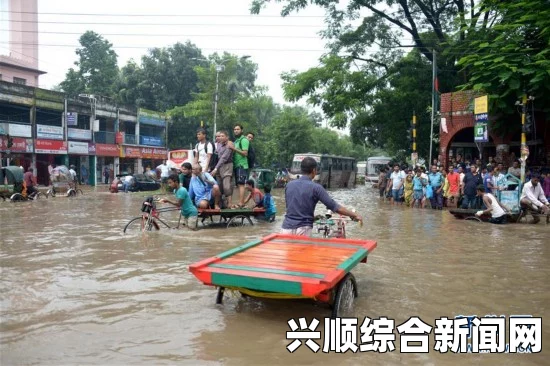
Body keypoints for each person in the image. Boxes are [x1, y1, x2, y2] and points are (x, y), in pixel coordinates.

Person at [281, 157, 362, 236]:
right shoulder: (316, 188)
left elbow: (293, 208)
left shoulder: (289, 185)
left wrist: (313, 218)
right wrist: (354, 215)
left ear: (302, 170)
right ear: (314, 170)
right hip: (303, 229)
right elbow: (335, 207)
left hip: (286, 228)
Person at [210, 130, 234, 208]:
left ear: (227, 137)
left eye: (222, 136)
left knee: (226, 185)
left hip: (227, 165)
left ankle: (230, 203)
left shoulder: (229, 144)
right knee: (219, 186)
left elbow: (224, 158)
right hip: (219, 166)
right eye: (219, 136)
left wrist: (216, 168)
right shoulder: (219, 145)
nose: (220, 137)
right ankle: (218, 203)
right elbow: (216, 154)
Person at [229, 124, 249, 208]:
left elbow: (245, 153)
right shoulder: (236, 141)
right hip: (237, 165)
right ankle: (240, 202)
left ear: (242, 130)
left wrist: (233, 149)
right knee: (238, 184)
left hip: (241, 165)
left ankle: (241, 203)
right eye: (234, 129)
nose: (236, 131)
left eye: (237, 129)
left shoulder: (244, 140)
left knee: (241, 184)